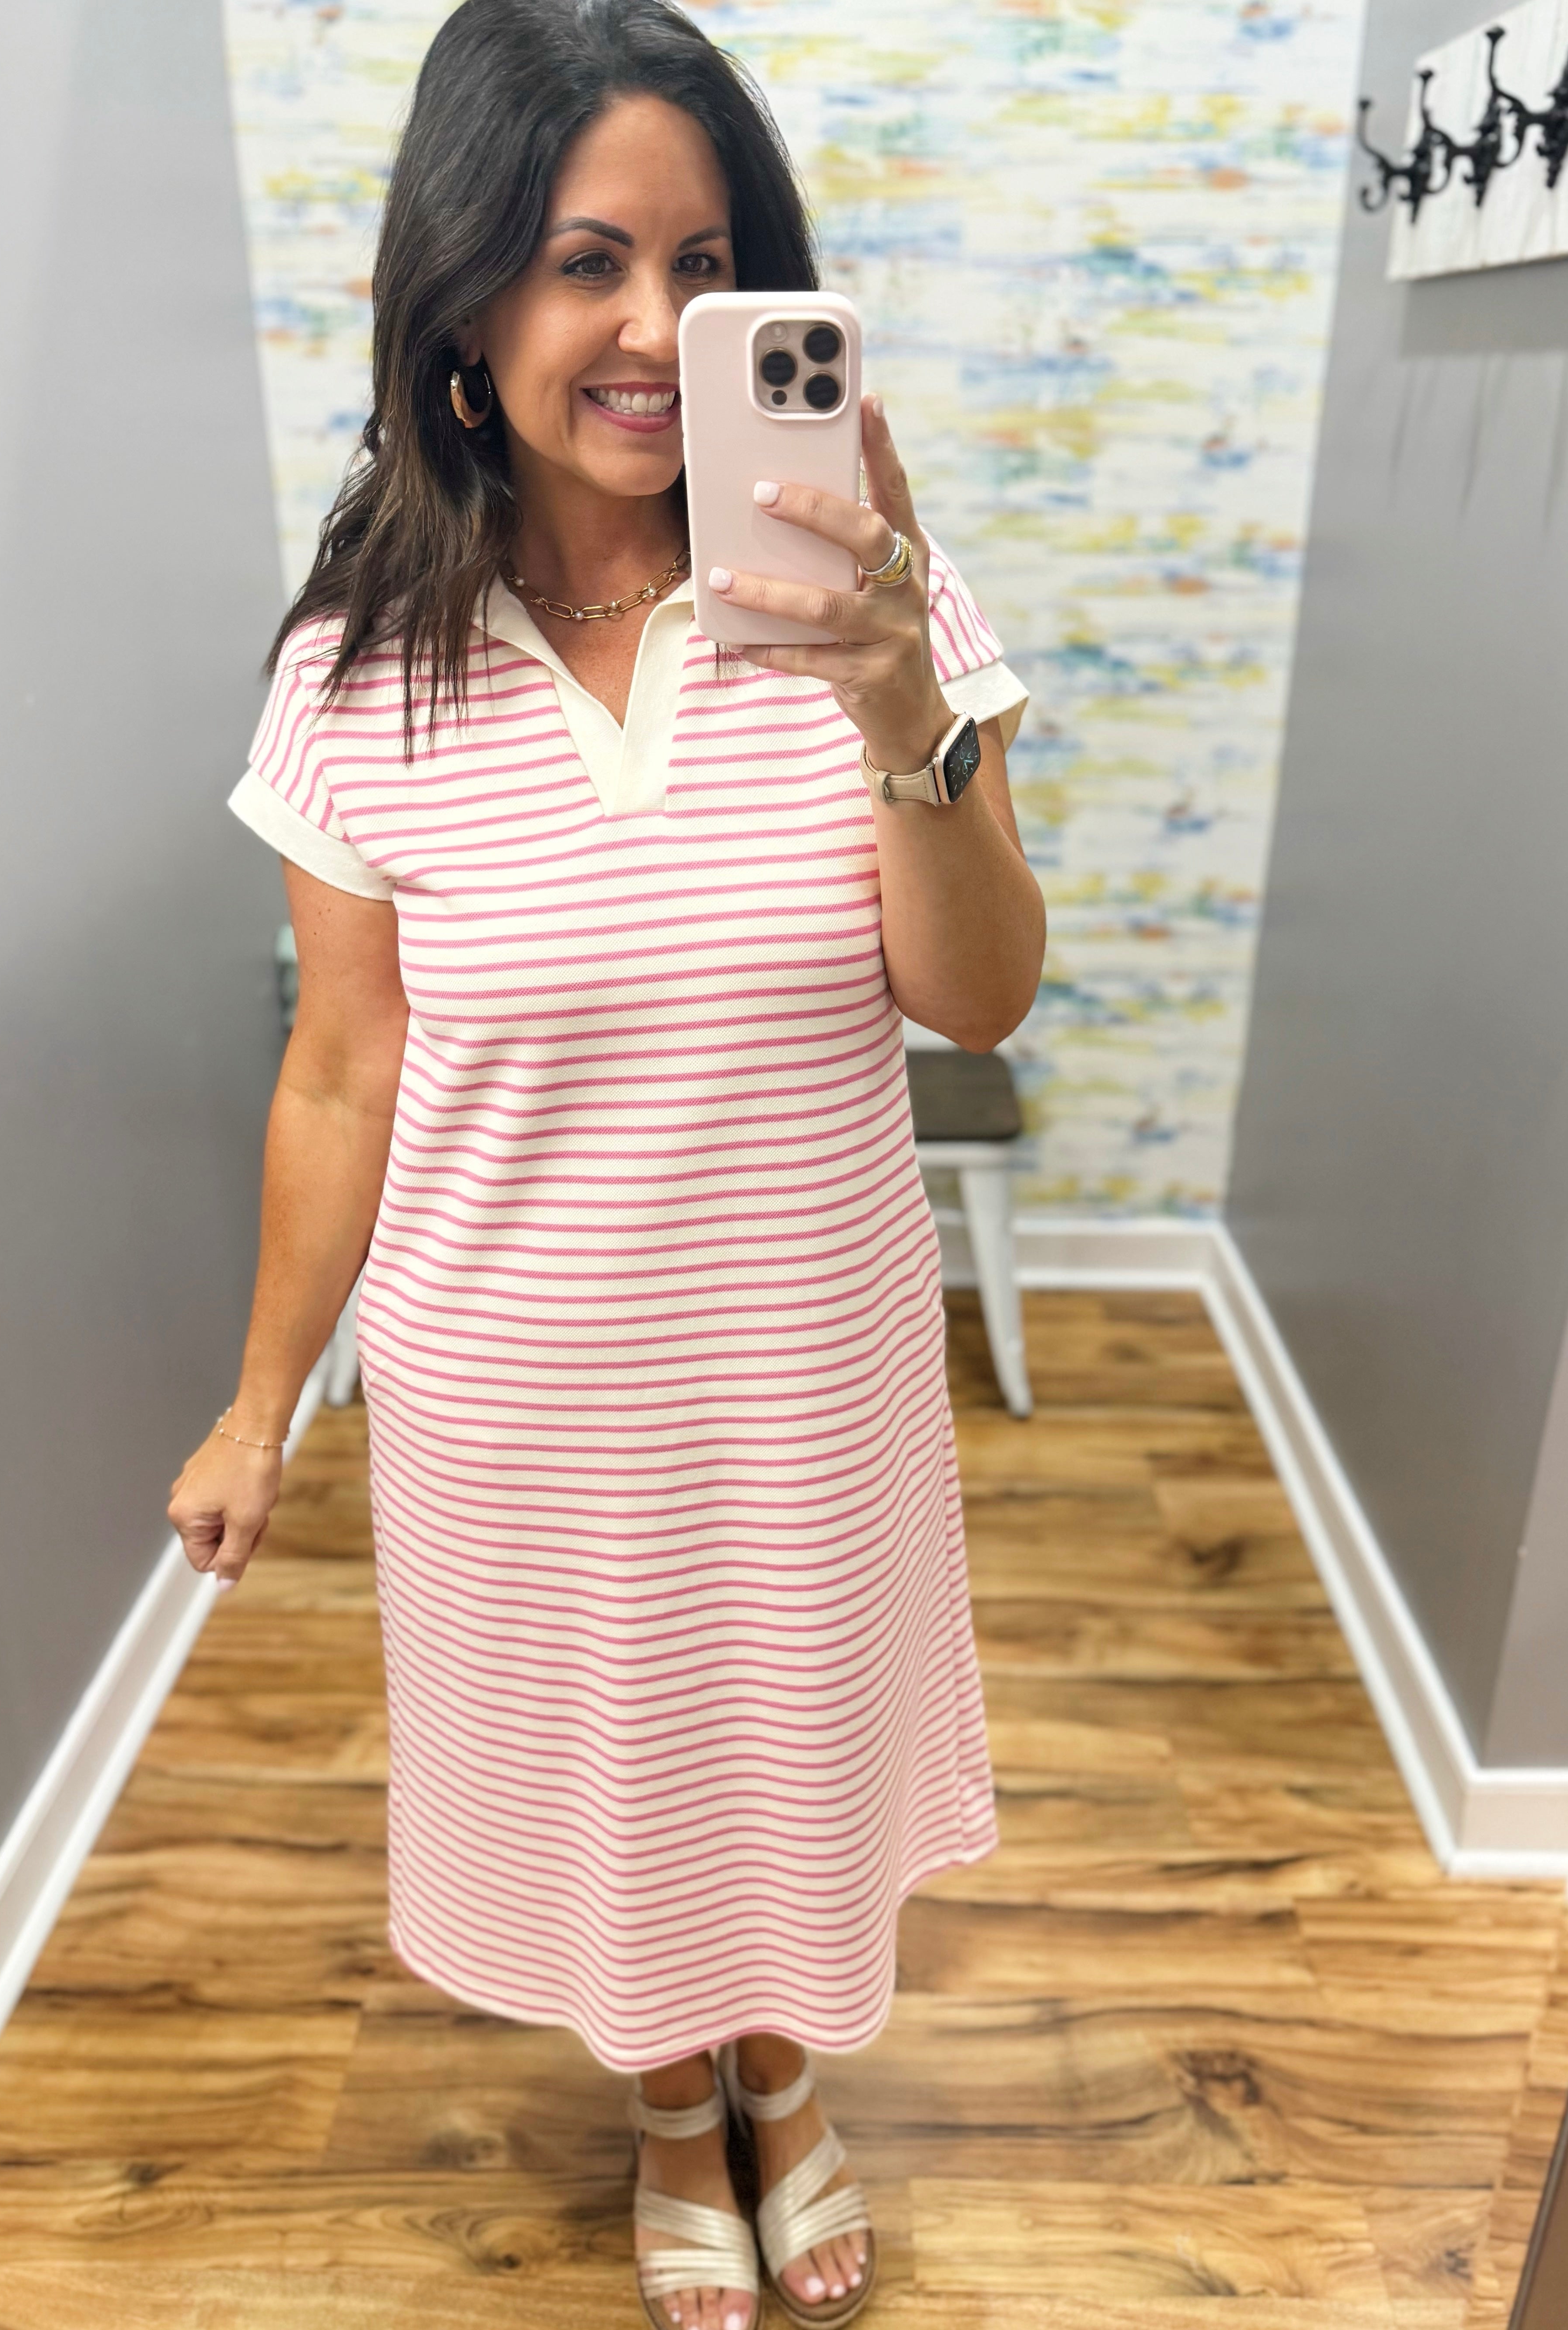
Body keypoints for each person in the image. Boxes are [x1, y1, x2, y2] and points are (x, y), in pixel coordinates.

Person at [168, 3, 1044, 2325]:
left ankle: (785, 2073)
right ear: (465, 310)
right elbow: (341, 1073)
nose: (657, 329)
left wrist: (902, 709)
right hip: (520, 1402)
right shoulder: (358, 668)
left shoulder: (875, 598)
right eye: (587, 263)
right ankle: (675, 2100)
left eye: (707, 264)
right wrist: (259, 1406)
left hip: (806, 1368)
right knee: (620, 1772)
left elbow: (977, 999)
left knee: (792, 1743)